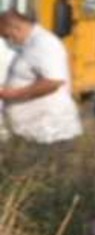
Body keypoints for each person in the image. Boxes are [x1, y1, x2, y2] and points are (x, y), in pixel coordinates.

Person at [0, 9, 80, 145]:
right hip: (33, 132)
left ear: (15, 27)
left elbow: (53, 82)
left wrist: (14, 94)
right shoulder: (28, 45)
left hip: (49, 132)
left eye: (7, 36)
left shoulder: (44, 43)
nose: (8, 40)